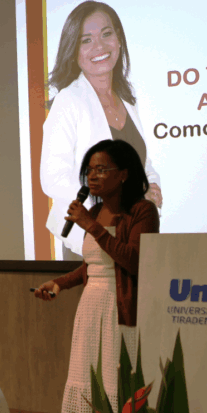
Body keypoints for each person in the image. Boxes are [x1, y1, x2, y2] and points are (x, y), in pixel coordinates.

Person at [34, 140, 159, 413]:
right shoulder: (93, 212)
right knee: (88, 380)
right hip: (90, 308)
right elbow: (94, 266)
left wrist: (91, 226)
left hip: (121, 309)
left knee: (117, 383)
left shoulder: (142, 211)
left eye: (101, 169)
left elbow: (134, 261)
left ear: (123, 174)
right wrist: (59, 283)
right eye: (89, 170)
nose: (92, 176)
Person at [40, 1, 162, 261]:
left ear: (119, 39)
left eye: (106, 34)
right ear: (73, 51)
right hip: (89, 240)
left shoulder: (127, 98)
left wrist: (151, 185)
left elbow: (141, 161)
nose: (99, 46)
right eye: (86, 40)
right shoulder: (68, 101)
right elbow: (53, 177)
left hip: (129, 238)